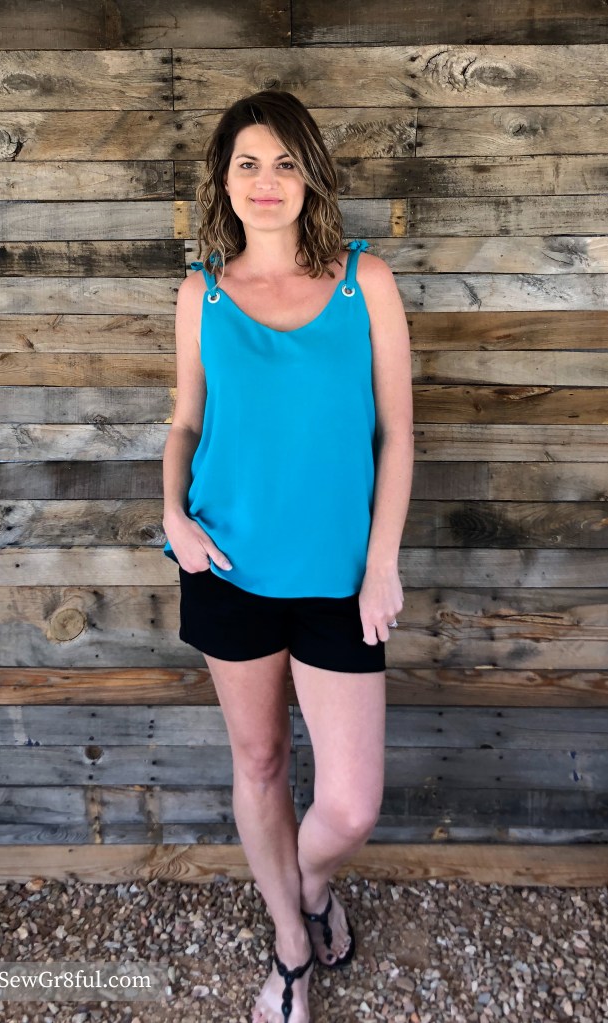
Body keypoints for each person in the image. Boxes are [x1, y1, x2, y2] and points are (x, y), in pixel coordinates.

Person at [161, 90, 414, 1023]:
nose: (264, 182)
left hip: (341, 579)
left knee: (349, 804)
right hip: (226, 567)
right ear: (223, 182)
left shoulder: (364, 281)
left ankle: (306, 883)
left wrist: (381, 562)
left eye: (283, 163)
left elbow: (397, 434)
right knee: (261, 762)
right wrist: (171, 515)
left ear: (310, 176)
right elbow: (185, 424)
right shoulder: (200, 293)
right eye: (247, 165)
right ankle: (290, 948)